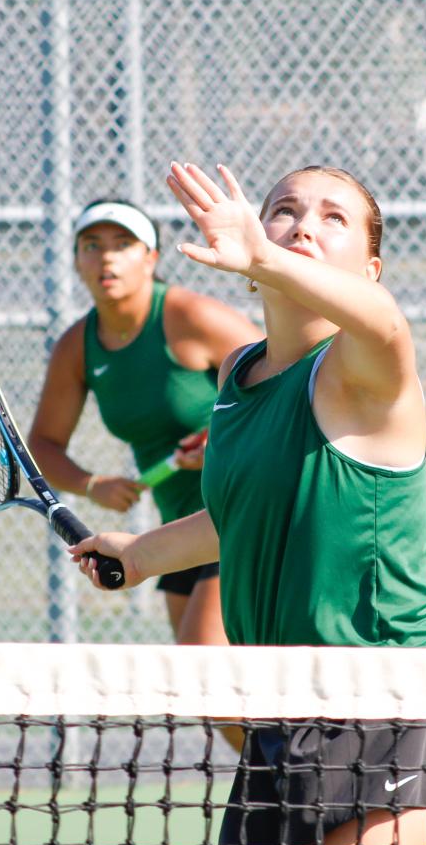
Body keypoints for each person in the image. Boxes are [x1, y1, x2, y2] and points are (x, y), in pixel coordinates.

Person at [71, 162, 426, 845]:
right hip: (282, 708)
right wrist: (142, 553)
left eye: (334, 217)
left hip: (388, 701)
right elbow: (242, 512)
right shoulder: (239, 378)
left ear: (368, 266)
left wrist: (259, 252)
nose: (304, 223)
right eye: (285, 209)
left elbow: (389, 327)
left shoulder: (364, 369)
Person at [26, 199, 262, 648]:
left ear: (150, 258)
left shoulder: (191, 317)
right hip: (176, 533)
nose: (106, 257)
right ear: (76, 261)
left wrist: (220, 443)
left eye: (123, 244)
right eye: (91, 245)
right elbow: (44, 444)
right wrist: (92, 484)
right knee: (215, 703)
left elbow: (286, 389)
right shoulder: (76, 347)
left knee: (206, 671)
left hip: (240, 516)